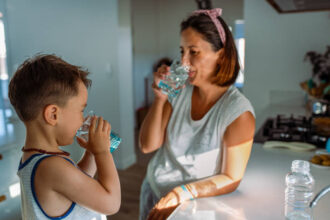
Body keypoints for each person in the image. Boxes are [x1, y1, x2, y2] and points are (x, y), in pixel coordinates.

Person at [139, 8, 255, 220]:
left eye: (194, 52)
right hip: (154, 190)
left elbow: (231, 177)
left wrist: (183, 192)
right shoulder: (178, 91)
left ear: (220, 55)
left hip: (194, 204)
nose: (183, 62)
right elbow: (148, 146)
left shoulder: (237, 112)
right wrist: (159, 98)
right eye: (182, 51)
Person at [8, 54, 121, 219]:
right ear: (53, 114)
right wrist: (102, 152)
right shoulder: (52, 167)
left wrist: (91, 153)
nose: (83, 119)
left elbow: (79, 183)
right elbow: (111, 204)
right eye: (81, 110)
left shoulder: (35, 158)